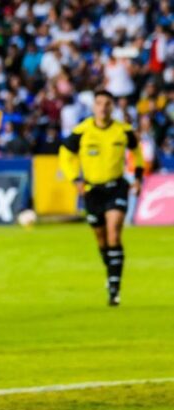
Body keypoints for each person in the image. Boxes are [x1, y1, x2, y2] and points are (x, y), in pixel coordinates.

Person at [60, 90, 145, 306]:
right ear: (94, 107)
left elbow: (137, 153)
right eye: (99, 103)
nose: (103, 107)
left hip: (116, 187)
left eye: (107, 104)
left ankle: (114, 289)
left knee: (114, 231)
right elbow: (65, 154)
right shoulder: (82, 131)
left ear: (112, 107)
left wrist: (137, 177)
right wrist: (75, 179)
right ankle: (111, 272)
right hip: (92, 190)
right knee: (101, 238)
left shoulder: (123, 131)